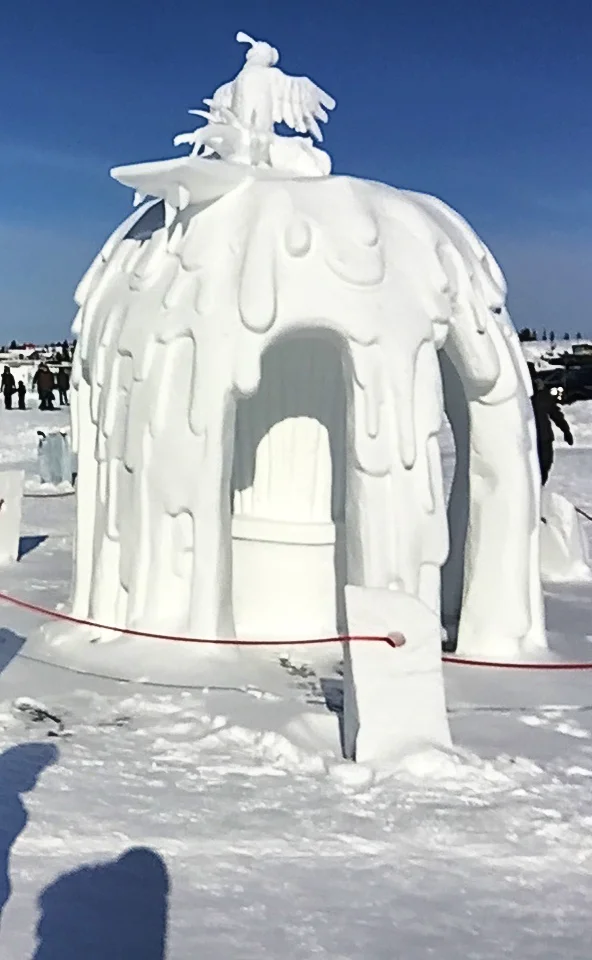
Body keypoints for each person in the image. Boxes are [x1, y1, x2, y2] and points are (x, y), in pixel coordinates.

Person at [528, 362, 573, 485]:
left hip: (544, 438)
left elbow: (554, 412)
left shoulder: (542, 393)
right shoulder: (520, 396)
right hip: (528, 441)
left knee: (544, 467)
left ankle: (540, 492)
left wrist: (566, 430)